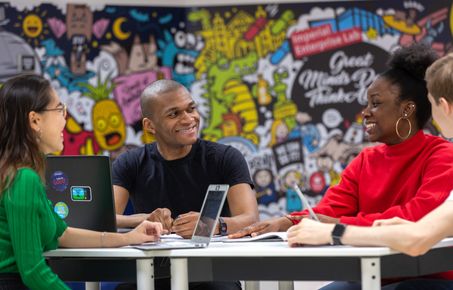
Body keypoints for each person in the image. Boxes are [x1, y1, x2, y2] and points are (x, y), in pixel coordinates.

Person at [230, 43, 453, 286]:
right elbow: (330, 210)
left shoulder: (442, 155)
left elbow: (417, 218)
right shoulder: (366, 160)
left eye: (375, 103)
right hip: (373, 275)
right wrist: (288, 221)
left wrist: (334, 227)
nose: (365, 112)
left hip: (426, 276)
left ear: (407, 109)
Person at [0, 73, 164, 290]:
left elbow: (63, 234)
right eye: (59, 110)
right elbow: (33, 272)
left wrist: (131, 237)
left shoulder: (23, 173)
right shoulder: (24, 178)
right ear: (35, 120)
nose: (65, 119)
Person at [112, 79, 259, 290]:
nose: (189, 119)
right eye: (174, 114)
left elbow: (250, 218)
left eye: (191, 109)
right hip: (151, 270)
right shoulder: (130, 162)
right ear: (149, 125)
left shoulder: (226, 157)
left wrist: (210, 225)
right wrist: (146, 219)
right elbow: (107, 219)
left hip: (212, 270)